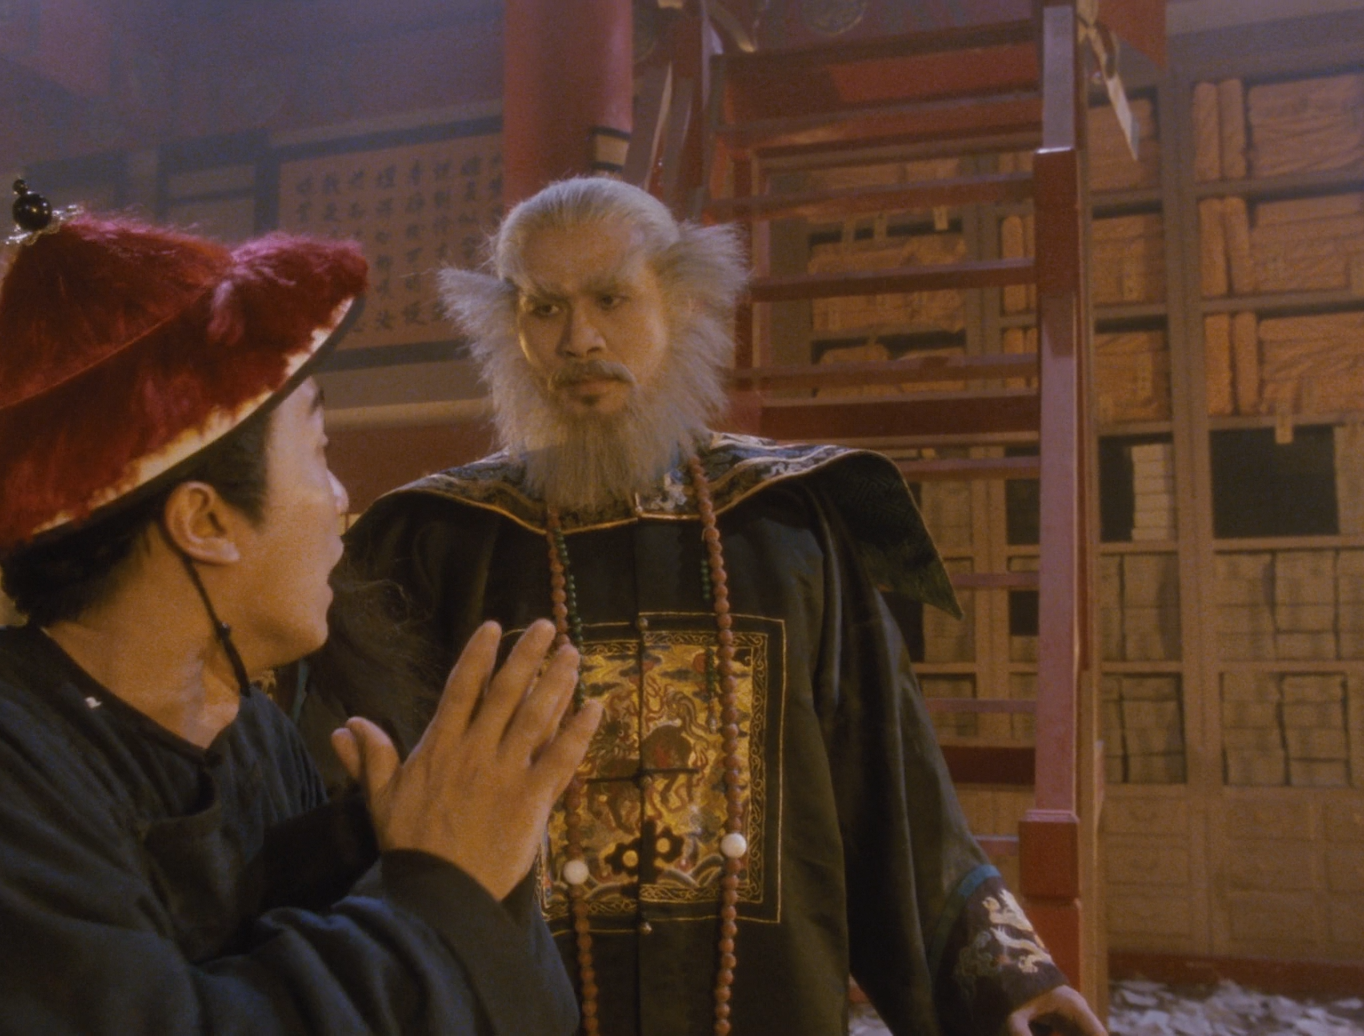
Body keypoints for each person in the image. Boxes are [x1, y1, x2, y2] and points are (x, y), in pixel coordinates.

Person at [0, 182, 602, 1035]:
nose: (340, 500)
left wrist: (446, 850)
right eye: (320, 451)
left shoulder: (251, 736)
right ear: (205, 521)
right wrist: (435, 888)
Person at [305, 177, 1108, 1036]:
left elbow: (890, 787)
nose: (579, 339)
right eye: (544, 307)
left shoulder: (786, 525)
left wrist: (1003, 979)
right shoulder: (436, 541)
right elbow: (358, 798)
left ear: (682, 301)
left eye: (612, 298)